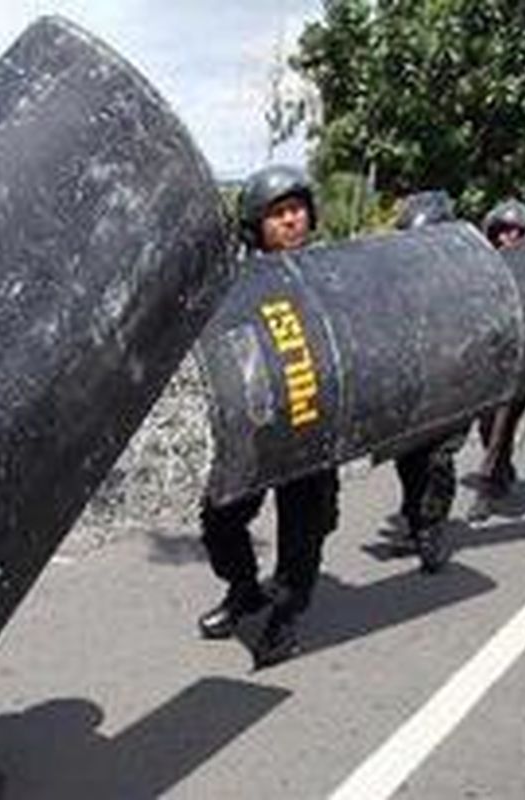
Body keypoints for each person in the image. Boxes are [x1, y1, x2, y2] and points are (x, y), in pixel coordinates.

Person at [197, 165, 340, 666]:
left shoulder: (335, 270)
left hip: (315, 423)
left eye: (297, 209)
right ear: (256, 225)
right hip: (260, 425)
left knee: (303, 532)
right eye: (277, 214)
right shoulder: (237, 282)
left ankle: (285, 617)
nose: (291, 221)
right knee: (220, 519)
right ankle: (243, 590)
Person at [387, 191, 462, 571]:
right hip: (415, 389)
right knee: (409, 461)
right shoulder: (395, 281)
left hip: (455, 386)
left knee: (438, 460)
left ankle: (431, 529)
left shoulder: (466, 279)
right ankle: (413, 515)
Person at [467, 198, 525, 522]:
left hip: (524, 361)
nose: (511, 238)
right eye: (504, 231)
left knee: (501, 423)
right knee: (487, 427)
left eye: (518, 231)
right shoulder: (482, 270)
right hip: (490, 361)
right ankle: (503, 469)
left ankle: (485, 488)